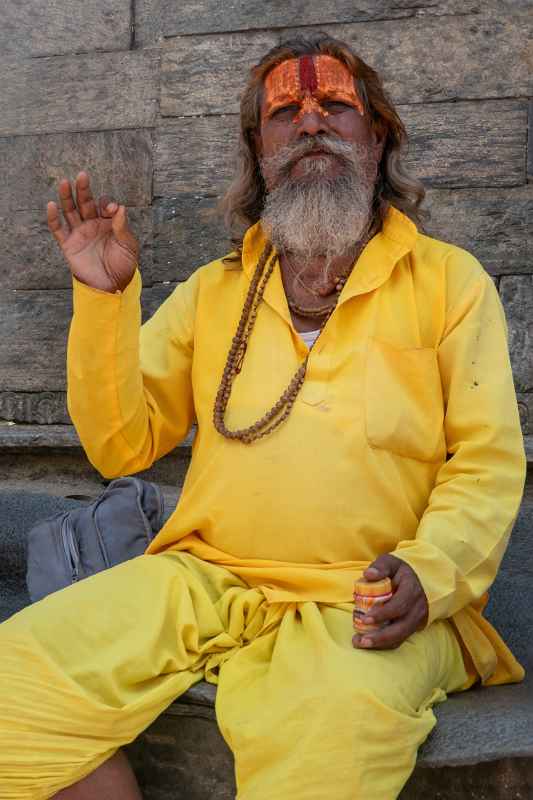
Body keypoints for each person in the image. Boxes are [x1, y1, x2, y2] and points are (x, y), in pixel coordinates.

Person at [0, 32, 526, 800]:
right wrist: (105, 298)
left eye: (335, 106)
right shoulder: (214, 291)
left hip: (368, 600)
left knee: (331, 734)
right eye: (285, 113)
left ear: (377, 137)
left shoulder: (448, 282)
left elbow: (485, 460)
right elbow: (120, 446)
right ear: (258, 151)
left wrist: (429, 570)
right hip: (204, 581)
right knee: (15, 681)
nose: (310, 122)